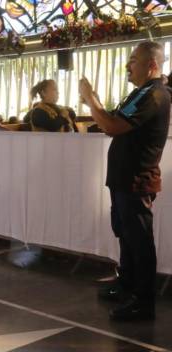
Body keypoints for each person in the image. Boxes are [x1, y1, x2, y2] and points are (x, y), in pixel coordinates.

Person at [79, 41, 171, 321]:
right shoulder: (139, 92)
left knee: (139, 240)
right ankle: (127, 285)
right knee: (125, 234)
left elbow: (112, 126)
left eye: (133, 60)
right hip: (122, 177)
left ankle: (143, 302)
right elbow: (115, 122)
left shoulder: (154, 95)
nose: (127, 66)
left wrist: (91, 98)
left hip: (136, 178)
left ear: (151, 65)